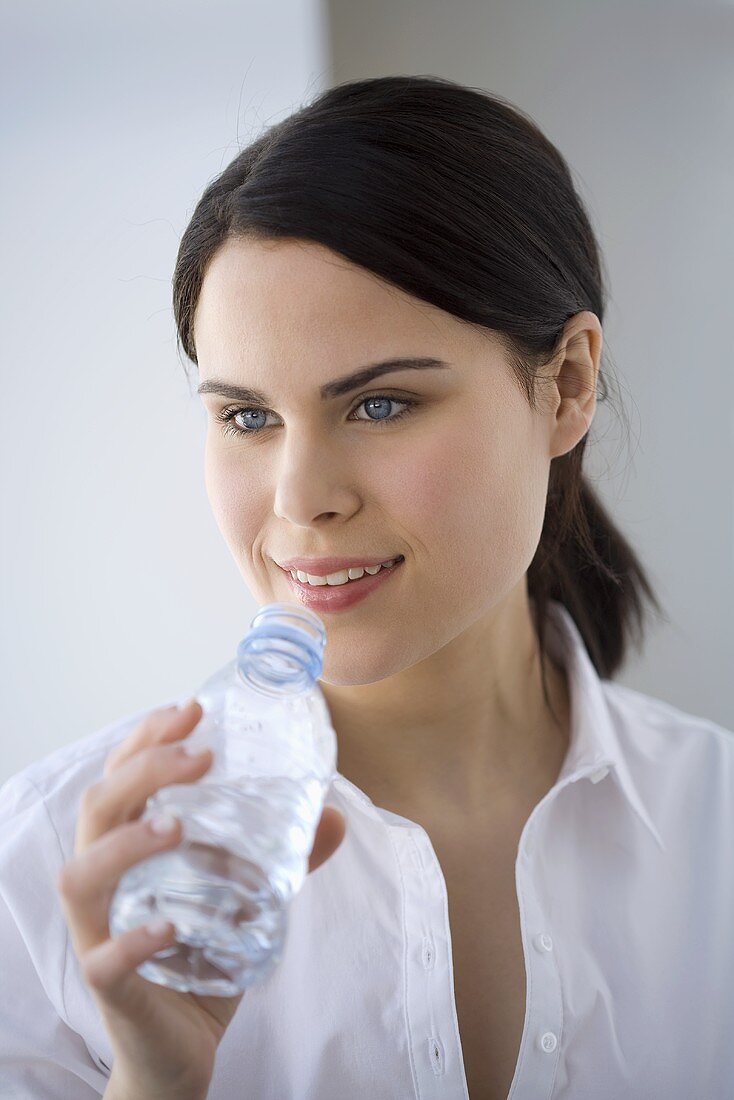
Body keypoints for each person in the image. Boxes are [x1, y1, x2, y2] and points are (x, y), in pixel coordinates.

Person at [1, 74, 733, 1100]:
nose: (298, 500)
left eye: (380, 403)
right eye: (247, 417)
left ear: (564, 382)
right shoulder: (45, 870)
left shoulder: (716, 828)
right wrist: (152, 1082)